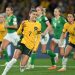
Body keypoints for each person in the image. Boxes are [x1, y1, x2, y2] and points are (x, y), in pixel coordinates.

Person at [1, 9, 41, 75]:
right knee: (14, 59)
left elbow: (38, 37)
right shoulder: (24, 22)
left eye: (36, 15)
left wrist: (35, 47)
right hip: (22, 42)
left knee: (22, 67)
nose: (35, 16)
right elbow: (18, 32)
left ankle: (25, 62)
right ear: (29, 14)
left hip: (30, 46)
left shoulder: (38, 25)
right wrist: (21, 26)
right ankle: (4, 73)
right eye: (33, 14)